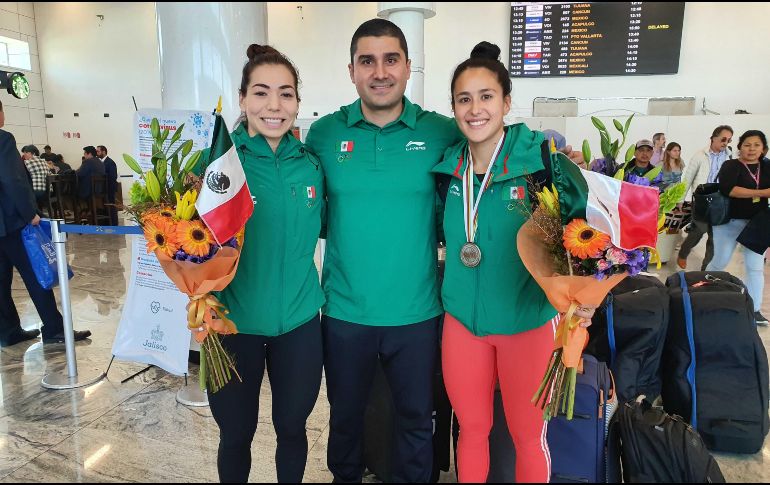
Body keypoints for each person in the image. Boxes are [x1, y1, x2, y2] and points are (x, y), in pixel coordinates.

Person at [432, 41, 596, 483]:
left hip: (526, 324)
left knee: (527, 435)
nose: (475, 109)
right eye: (464, 99)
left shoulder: (543, 165)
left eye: (486, 96)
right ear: (453, 107)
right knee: (472, 430)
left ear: (506, 102)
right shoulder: (446, 171)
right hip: (463, 323)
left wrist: (585, 297)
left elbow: (586, 242)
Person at [197, 45, 325, 483]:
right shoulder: (218, 165)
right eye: (262, 92)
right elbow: (185, 244)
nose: (274, 105)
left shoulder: (312, 167)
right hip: (233, 326)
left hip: (301, 325)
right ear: (242, 99)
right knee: (235, 434)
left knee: (292, 429)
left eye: (286, 94)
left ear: (297, 104)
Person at [0, 100, 91, 346]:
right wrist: (30, 212)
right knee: (35, 274)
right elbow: (12, 180)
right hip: (11, 223)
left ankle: (8, 333)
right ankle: (54, 330)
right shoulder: (3, 139)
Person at [706, 130, 769, 326]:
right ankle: (700, 294)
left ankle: (754, 309)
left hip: (757, 223)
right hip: (729, 222)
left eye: (756, 145)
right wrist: (763, 192)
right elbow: (729, 189)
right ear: (740, 146)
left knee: (755, 268)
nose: (751, 149)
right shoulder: (731, 165)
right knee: (720, 261)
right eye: (747, 144)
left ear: (763, 148)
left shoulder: (767, 166)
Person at [677, 125, 734, 270]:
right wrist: (680, 199)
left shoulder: (730, 157)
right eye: (723, 139)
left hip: (720, 201)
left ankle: (705, 269)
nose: (725, 143)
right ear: (713, 138)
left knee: (714, 237)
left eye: (729, 140)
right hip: (702, 200)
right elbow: (687, 179)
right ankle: (683, 253)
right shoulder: (700, 155)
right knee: (698, 231)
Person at [97, 145, 118, 225]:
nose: (97, 153)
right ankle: (107, 223)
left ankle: (114, 224)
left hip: (109, 188)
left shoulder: (110, 162)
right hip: (103, 189)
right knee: (105, 207)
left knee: (111, 206)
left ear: (104, 152)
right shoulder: (100, 162)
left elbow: (113, 177)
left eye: (98, 151)